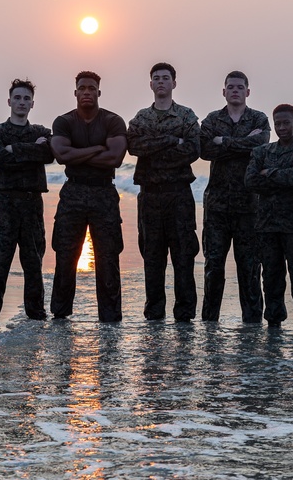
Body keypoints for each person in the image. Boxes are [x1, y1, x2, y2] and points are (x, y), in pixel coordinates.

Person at [50, 71, 127, 322]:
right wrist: (96, 148)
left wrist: (77, 152)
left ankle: (110, 318)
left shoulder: (113, 121)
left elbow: (115, 158)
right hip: (73, 192)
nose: (86, 92)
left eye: (91, 88)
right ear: (75, 93)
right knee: (65, 257)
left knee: (107, 258)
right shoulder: (63, 122)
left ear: (98, 92)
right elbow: (61, 155)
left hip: (104, 192)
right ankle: (60, 316)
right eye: (82, 88)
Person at [127, 62, 201, 321]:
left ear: (174, 83)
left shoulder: (186, 116)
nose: (161, 82)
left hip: (179, 194)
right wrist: (171, 140)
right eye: (156, 78)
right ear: (150, 84)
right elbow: (134, 147)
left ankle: (185, 314)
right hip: (150, 196)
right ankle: (154, 313)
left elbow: (192, 150)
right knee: (152, 256)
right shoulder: (141, 118)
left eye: (166, 78)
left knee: (184, 256)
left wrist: (154, 150)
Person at [0, 79, 54, 325]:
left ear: (32, 103)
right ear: (9, 101)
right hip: (6, 203)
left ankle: (36, 317)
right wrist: (30, 150)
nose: (22, 102)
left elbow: (48, 155)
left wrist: (16, 149)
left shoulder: (41, 132)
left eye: (26, 99)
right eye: (17, 98)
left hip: (33, 203)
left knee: (33, 263)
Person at [199, 71, 270, 323]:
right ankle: (209, 321)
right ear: (224, 91)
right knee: (213, 267)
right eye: (231, 87)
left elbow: (260, 146)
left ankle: (252, 323)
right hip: (217, 207)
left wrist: (224, 143)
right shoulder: (212, 119)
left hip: (249, 207)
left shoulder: (258, 119)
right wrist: (241, 143)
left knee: (250, 268)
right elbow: (205, 150)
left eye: (240, 87)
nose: (235, 90)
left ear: (248, 91)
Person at [245, 103, 293, 330]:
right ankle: (274, 320)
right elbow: (251, 181)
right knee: (271, 276)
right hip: (267, 225)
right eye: (278, 123)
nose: (282, 127)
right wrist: (282, 178)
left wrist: (270, 174)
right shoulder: (261, 152)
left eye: (287, 123)